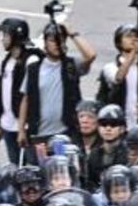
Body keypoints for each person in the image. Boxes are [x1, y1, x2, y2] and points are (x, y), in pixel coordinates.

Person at [19, 21, 95, 163]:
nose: (57, 44)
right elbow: (26, 99)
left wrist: (72, 34)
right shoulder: (34, 69)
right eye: (53, 40)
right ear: (45, 43)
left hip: (63, 135)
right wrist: (21, 129)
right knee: (43, 175)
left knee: (62, 172)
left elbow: (90, 56)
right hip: (39, 137)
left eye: (61, 40)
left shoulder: (71, 66)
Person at [98, 24, 138, 129]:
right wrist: (133, 53)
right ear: (119, 42)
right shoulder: (110, 67)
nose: (133, 39)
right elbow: (118, 78)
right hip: (115, 125)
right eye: (128, 36)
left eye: (135, 36)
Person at [0, 17, 35, 165]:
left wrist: (22, 129)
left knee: (29, 167)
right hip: (7, 125)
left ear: (16, 37)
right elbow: (1, 94)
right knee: (14, 166)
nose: (3, 39)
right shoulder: (6, 61)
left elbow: (29, 96)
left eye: (6, 35)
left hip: (23, 127)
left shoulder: (30, 61)